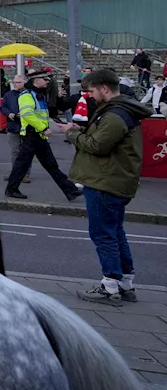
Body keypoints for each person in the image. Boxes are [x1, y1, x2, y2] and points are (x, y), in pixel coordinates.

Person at [57, 69, 153, 304]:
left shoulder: (114, 115)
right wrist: (83, 130)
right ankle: (125, 283)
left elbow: (98, 146)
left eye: (91, 91)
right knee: (116, 232)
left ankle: (110, 287)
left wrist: (71, 134)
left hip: (105, 181)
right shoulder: (120, 110)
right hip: (114, 179)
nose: (89, 96)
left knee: (103, 235)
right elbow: (103, 138)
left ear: (104, 88)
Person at [5, 70, 81, 201]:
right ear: (35, 81)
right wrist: (44, 128)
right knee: (41, 165)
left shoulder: (38, 95)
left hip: (37, 136)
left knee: (36, 164)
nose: (46, 81)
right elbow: (28, 115)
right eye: (43, 79)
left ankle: (70, 190)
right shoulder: (27, 95)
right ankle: (70, 190)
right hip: (32, 135)